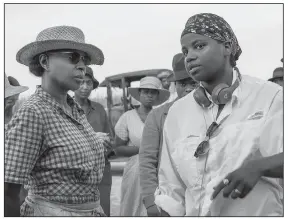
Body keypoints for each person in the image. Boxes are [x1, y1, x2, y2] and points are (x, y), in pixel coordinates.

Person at [154, 13, 283, 216]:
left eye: (199, 46)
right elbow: (172, 191)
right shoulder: (177, 113)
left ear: (227, 47)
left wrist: (260, 167)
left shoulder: (271, 97)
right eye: (185, 51)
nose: (189, 57)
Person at [5, 25, 111, 216]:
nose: (82, 66)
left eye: (85, 59)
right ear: (45, 61)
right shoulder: (34, 113)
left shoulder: (74, 110)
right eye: (73, 57)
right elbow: (6, 195)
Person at [139, 53, 198, 216]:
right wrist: (151, 201)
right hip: (168, 200)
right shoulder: (158, 116)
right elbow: (147, 160)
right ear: (175, 85)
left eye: (193, 83)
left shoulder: (212, 113)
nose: (188, 88)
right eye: (182, 83)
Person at [113, 76, 170, 216]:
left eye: (153, 92)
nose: (149, 95)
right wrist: (147, 150)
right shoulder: (127, 117)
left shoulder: (162, 116)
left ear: (158, 96)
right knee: (132, 208)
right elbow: (117, 149)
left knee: (157, 207)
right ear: (139, 94)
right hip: (134, 172)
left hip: (157, 171)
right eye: (145, 91)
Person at [74, 66, 112, 216]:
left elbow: (111, 140)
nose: (84, 87)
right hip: (76, 172)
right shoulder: (62, 108)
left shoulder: (100, 109)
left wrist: (107, 144)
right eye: (80, 82)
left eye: (88, 83)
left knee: (102, 210)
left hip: (101, 170)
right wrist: (93, 139)